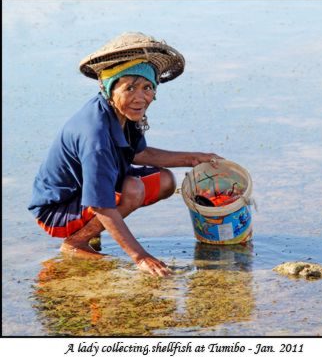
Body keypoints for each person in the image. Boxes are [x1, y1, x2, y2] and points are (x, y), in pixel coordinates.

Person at [28, 32, 222, 277]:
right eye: (129, 87)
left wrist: (193, 158)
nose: (140, 98)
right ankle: (75, 242)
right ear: (110, 89)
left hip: (89, 193)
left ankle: (90, 232)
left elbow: (141, 154)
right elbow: (100, 204)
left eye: (147, 87)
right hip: (58, 210)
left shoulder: (122, 114)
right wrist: (140, 256)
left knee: (165, 180)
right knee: (133, 189)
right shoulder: (95, 135)